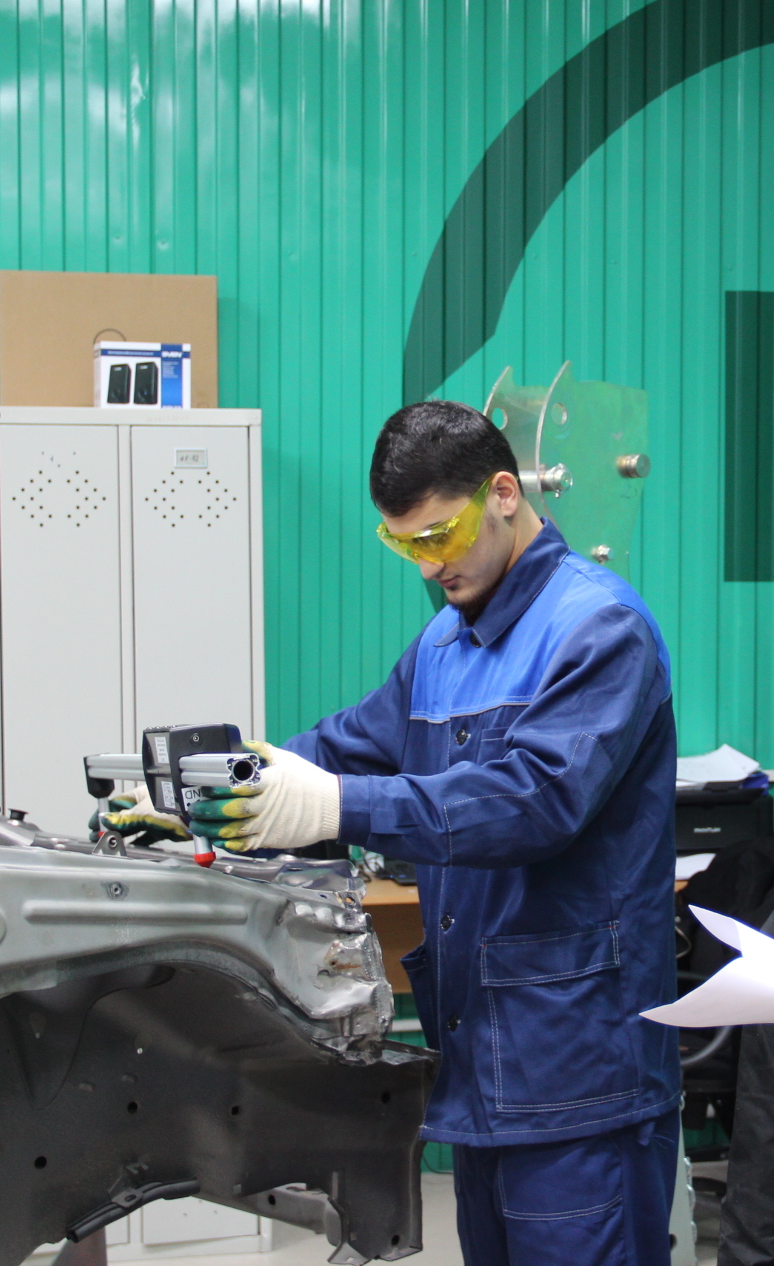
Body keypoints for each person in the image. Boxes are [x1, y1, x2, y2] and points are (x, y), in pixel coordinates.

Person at [200, 401, 681, 1265]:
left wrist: (333, 807)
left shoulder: (599, 627)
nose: (429, 566)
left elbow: (535, 800)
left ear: (504, 493)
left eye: (439, 537)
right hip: (482, 1068)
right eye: (405, 546)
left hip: (580, 1076)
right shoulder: (443, 645)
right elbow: (343, 748)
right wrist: (208, 787)